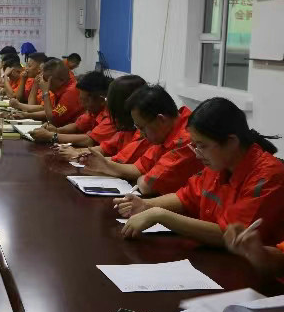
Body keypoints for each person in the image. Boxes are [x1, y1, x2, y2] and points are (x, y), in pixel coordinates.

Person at [115, 98, 284, 245]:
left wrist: (160, 215)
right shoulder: (219, 164)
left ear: (231, 142)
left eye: (202, 146)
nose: (197, 154)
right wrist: (146, 205)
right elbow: (186, 197)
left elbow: (232, 236)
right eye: (194, 146)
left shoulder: (268, 176)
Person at [83, 85, 202, 195]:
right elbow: (139, 168)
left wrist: (142, 176)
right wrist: (106, 165)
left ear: (161, 120)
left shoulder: (186, 140)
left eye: (142, 128)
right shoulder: (164, 132)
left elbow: (147, 186)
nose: (141, 134)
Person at [56, 75, 147, 161]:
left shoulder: (142, 134)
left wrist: (77, 155)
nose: (106, 104)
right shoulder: (125, 129)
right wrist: (76, 152)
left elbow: (121, 161)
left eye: (108, 100)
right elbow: (104, 148)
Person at [30, 71, 113, 146]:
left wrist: (51, 136)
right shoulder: (93, 110)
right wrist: (57, 130)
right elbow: (77, 125)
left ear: (101, 100)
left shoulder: (111, 117)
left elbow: (89, 140)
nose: (82, 104)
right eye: (81, 99)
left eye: (85, 100)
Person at [10, 58, 83, 127]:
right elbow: (52, 112)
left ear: (61, 80)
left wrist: (45, 92)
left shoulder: (71, 91)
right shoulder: (60, 88)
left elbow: (53, 119)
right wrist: (26, 115)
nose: (44, 82)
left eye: (46, 80)